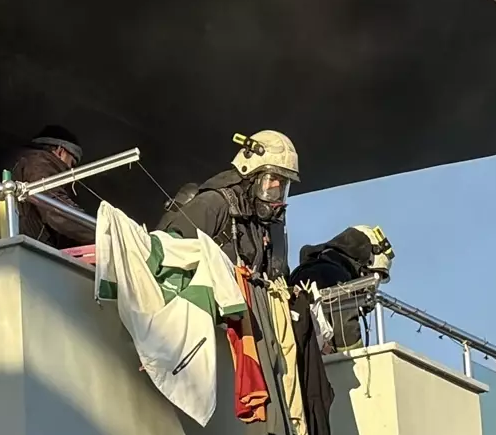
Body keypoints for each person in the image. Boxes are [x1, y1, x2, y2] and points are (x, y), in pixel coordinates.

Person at [156, 130, 299, 279]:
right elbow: (168, 257)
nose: (276, 188)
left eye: (283, 183)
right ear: (251, 176)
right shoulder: (213, 204)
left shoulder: (260, 227)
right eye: (272, 178)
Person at [288, 225, 394, 352]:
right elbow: (346, 335)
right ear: (364, 265)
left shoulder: (308, 270)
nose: (371, 288)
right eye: (373, 278)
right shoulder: (338, 279)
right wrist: (360, 359)